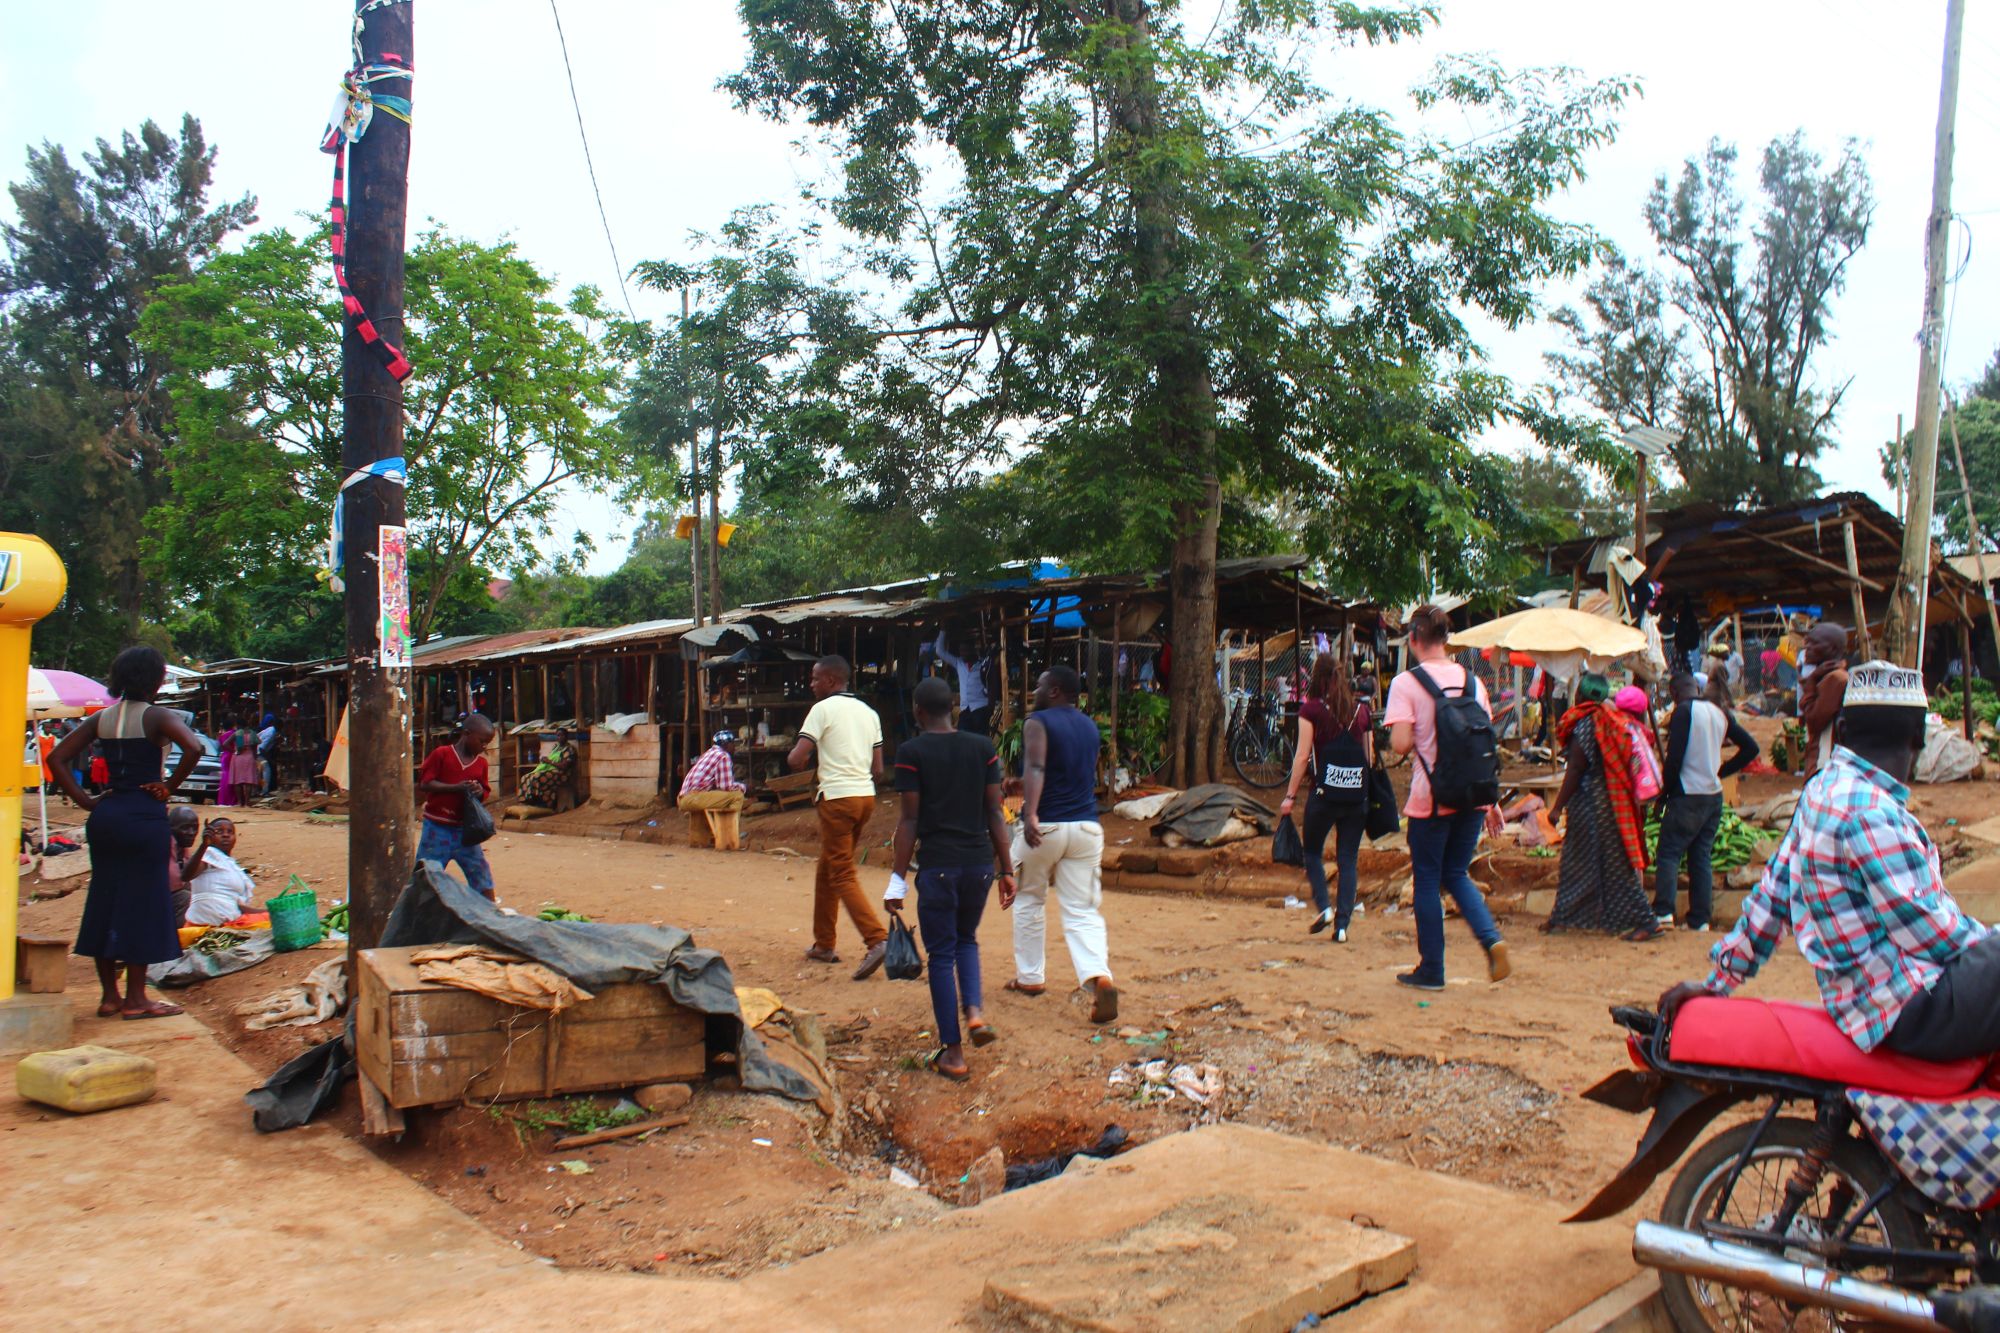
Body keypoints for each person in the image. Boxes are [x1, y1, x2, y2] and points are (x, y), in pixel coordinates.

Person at [1660, 662, 2000, 1062]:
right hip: (1911, 1007)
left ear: (1839, 731)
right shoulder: (1870, 813)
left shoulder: (1822, 791)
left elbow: (1774, 894)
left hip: (1860, 1001)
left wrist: (1719, 980)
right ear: (1920, 737)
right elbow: (1932, 935)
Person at [45, 646, 203, 1019]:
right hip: (143, 816)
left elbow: (56, 759)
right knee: (145, 904)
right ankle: (136, 999)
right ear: (156, 680)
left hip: (107, 816)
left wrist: (86, 800)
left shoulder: (99, 718)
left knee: (106, 900)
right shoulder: (157, 717)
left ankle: (109, 997)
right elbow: (193, 747)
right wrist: (168, 785)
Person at [883, 677, 1017, 1081]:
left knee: (941, 955)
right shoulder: (982, 747)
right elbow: (997, 813)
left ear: (919, 712)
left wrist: (897, 879)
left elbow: (909, 820)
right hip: (979, 865)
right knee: (966, 941)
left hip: (938, 866)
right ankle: (974, 1013)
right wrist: (1006, 869)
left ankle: (953, 1053)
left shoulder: (912, 752)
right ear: (954, 707)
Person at [1382, 605, 1510, 991]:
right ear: (1446, 639)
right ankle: (1491, 939)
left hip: (1431, 799)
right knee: (1456, 874)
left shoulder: (1406, 684)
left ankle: (1432, 969)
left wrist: (1401, 736)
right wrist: (1492, 803)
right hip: (1473, 798)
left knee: (1427, 880)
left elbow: (1401, 744)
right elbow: (1483, 745)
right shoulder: (1474, 683)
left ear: (1414, 639)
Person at [1009, 664, 1118, 1023]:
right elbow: (1067, 772)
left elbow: (1038, 767)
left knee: (1028, 897)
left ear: (1054, 690)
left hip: (1047, 827)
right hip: (1086, 828)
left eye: (1039, 685)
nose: (1034, 691)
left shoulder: (1038, 721)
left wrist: (1032, 814)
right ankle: (1098, 977)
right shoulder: (1088, 725)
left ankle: (1030, 978)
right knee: (1083, 910)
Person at [787, 656, 890, 980]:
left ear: (831, 681)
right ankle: (824, 943)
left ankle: (877, 939)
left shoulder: (822, 710)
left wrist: (799, 757)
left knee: (842, 871)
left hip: (837, 799)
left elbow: (796, 758)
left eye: (816, 679)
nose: (811, 684)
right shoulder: (869, 713)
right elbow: (878, 769)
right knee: (829, 867)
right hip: (865, 798)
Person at [1545, 675, 1661, 940]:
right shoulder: (1610, 718)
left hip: (1591, 804)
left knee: (1601, 864)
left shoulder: (1586, 723)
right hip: (1612, 803)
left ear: (1581, 697)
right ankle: (1565, 919)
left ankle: (1647, 922)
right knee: (1586, 861)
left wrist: (1556, 807)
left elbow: (1576, 767)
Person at [1652, 672, 1758, 932]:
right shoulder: (1718, 711)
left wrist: (1664, 795)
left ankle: (1664, 912)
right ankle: (1700, 919)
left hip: (1687, 793)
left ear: (1674, 694)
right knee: (1700, 856)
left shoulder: (1683, 713)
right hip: (1713, 795)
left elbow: (1674, 759)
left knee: (1668, 853)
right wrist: (1723, 770)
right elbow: (1751, 748)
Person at [1278, 653, 1372, 942]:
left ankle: (1324, 907)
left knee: (1312, 853)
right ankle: (1342, 925)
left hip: (1323, 795)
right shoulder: (1361, 711)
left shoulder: (1312, 711)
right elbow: (1369, 758)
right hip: (1357, 798)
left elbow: (1303, 755)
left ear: (1316, 679)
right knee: (1348, 860)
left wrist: (1290, 796)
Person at [417, 713, 497, 898]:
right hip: (437, 828)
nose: (484, 747)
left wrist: (478, 791)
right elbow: (425, 783)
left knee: (480, 873)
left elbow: (485, 792)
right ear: (466, 734)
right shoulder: (442, 754)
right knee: (426, 876)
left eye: (487, 743)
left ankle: (490, 915)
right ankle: (420, 917)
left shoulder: (481, 764)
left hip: (465, 831)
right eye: (482, 741)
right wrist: (456, 788)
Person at [182, 817, 258, 927]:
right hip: (205, 924)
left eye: (230, 832)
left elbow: (237, 906)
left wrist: (268, 911)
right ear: (210, 836)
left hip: (231, 922)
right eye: (219, 831)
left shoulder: (231, 866)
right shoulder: (208, 855)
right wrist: (204, 846)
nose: (225, 835)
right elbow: (186, 876)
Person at [1798, 622, 1851, 777]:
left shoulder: (1835, 679)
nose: (1807, 648)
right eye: (1807, 643)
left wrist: (1812, 681)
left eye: (1814, 643)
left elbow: (1813, 720)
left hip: (1824, 763)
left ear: (1832, 649)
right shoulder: (1827, 676)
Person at [931, 631, 995, 736]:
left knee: (980, 741)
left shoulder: (983, 664)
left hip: (980, 709)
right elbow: (939, 651)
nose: (962, 653)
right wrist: (943, 631)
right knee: (962, 740)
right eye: (961, 651)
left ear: (973, 651)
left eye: (965, 650)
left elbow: (992, 686)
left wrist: (990, 708)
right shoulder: (959, 663)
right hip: (965, 710)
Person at [679, 730, 747, 816]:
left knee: (720, 796)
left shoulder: (709, 753)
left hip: (685, 797)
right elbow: (726, 787)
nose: (734, 747)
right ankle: (728, 828)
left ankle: (707, 827)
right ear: (726, 745)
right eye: (733, 744)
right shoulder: (723, 756)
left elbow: (719, 786)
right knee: (737, 796)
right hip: (694, 798)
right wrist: (744, 787)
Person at [167, 804, 201, 926]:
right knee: (186, 898)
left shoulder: (182, 849)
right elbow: (178, 883)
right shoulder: (165, 846)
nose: (191, 833)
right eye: (185, 828)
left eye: (195, 828)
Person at [227, 726, 259, 806]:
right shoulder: (252, 733)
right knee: (249, 781)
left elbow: (225, 744)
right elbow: (255, 748)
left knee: (238, 781)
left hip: (238, 757)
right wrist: (255, 758)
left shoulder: (237, 734)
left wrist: (234, 751)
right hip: (249, 757)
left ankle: (240, 802)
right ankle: (247, 803)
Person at [216, 719, 239, 807]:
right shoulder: (234, 733)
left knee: (225, 777)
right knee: (232, 777)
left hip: (224, 756)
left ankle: (223, 799)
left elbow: (221, 746)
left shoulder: (222, 735)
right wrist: (233, 751)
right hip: (231, 756)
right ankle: (231, 800)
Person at [256, 712, 279, 794]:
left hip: (257, 752)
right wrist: (270, 760)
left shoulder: (268, 730)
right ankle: (264, 791)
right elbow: (262, 748)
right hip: (259, 753)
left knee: (259, 772)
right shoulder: (272, 731)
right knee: (266, 770)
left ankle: (259, 790)